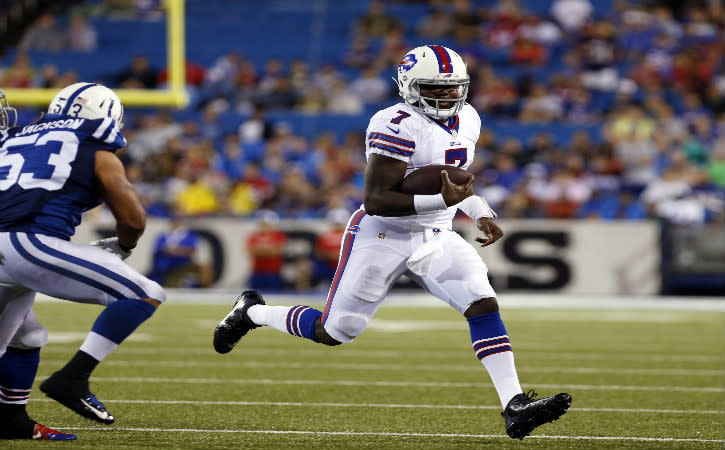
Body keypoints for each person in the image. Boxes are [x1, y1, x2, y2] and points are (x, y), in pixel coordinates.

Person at [213, 45, 572, 439]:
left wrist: (480, 211)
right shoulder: (394, 122)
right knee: (335, 331)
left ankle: (514, 404)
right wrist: (443, 199)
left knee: (482, 302)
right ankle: (251, 313)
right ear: (410, 86)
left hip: (436, 234)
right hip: (382, 233)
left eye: (455, 88)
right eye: (437, 88)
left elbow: (455, 180)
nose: (449, 96)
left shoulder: (469, 117)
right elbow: (378, 199)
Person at [0, 83, 166, 440]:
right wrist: (124, 246)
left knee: (25, 337)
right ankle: (72, 377)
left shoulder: (14, 139)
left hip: (8, 246)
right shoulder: (93, 146)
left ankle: (9, 419)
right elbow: (133, 218)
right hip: (27, 243)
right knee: (144, 293)